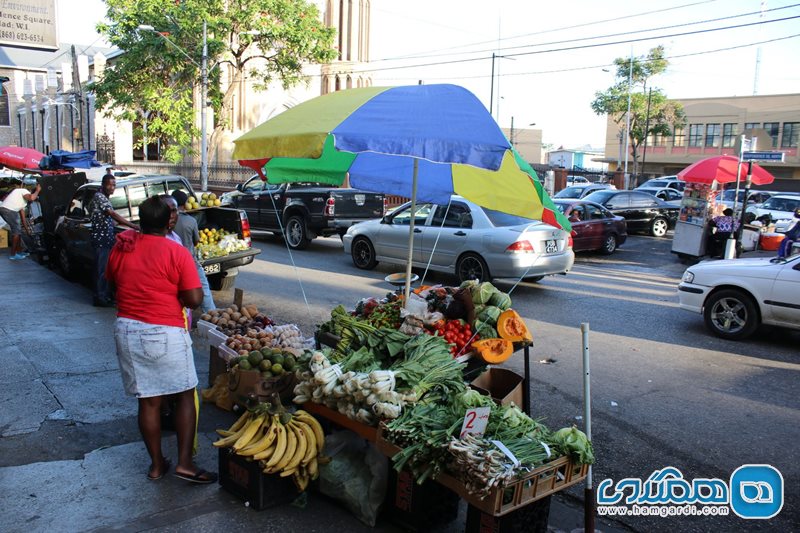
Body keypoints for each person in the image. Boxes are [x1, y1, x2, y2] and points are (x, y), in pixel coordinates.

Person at [106, 195, 216, 484]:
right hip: (163, 331)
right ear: (170, 221)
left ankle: (156, 465)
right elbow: (194, 299)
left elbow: (111, 281)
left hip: (127, 330)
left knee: (148, 401)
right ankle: (184, 464)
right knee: (183, 396)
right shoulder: (175, 252)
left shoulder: (123, 245)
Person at [89, 175, 138, 307]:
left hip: (107, 238)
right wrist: (133, 226)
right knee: (101, 269)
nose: (112, 188)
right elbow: (112, 214)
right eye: (109, 185)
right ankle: (100, 298)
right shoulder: (99, 197)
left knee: (107, 269)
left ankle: (106, 295)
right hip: (101, 239)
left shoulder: (104, 198)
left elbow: (111, 218)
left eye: (114, 185)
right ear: (103, 184)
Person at [171, 190, 216, 315]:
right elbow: (196, 241)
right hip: (190, 263)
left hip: (172, 263)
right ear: (185, 204)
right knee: (204, 288)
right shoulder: (190, 221)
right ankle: (211, 314)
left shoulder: (166, 220)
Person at [0, 181, 41, 260]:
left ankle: (19, 252)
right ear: (31, 192)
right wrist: (38, 191)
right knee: (16, 232)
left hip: (6, 210)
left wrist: (27, 230)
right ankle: (13, 254)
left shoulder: (22, 201)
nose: (33, 201)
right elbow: (32, 197)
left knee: (18, 232)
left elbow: (22, 218)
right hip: (9, 210)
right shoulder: (24, 191)